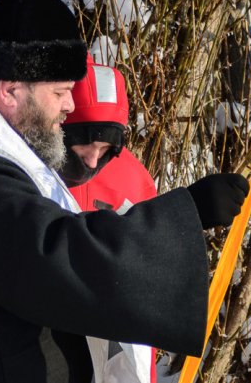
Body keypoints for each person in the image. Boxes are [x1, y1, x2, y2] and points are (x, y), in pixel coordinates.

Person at [0, 0, 249, 383]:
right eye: (59, 92)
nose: (70, 106)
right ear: (10, 90)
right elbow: (54, 254)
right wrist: (186, 213)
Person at [51, 54, 159, 383]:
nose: (94, 160)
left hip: (102, 344)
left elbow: (146, 271)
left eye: (106, 147)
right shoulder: (23, 167)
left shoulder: (132, 178)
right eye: (85, 144)